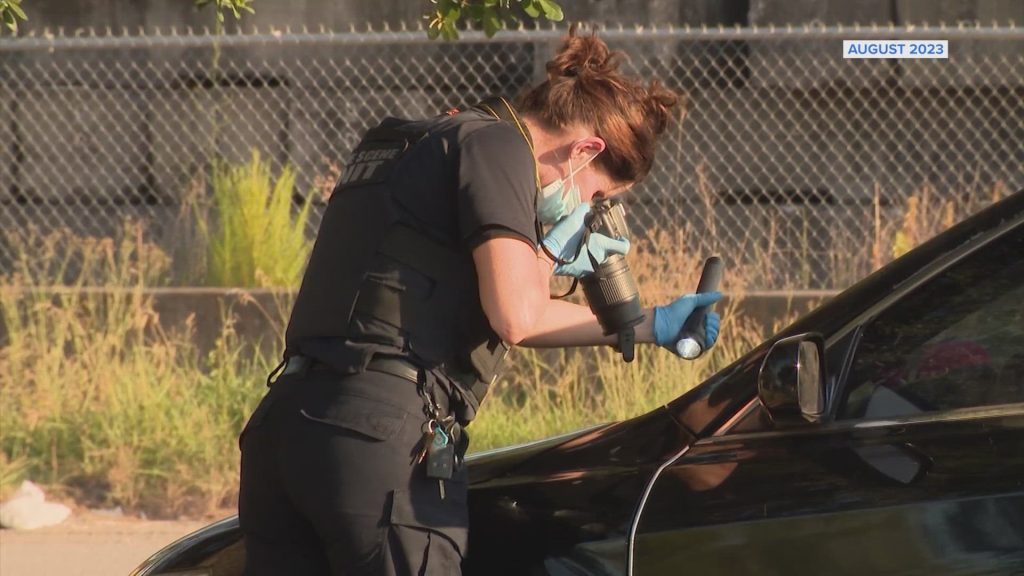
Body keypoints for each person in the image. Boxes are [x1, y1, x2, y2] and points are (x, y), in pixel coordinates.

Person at [237, 28, 722, 576]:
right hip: (376, 437)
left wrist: (649, 323)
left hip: (286, 427)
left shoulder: (418, 139)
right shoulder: (500, 148)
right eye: (597, 199)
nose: (587, 211)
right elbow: (517, 317)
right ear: (586, 151)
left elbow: (495, 300)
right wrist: (555, 247)